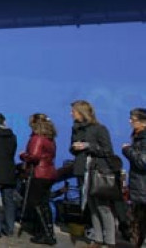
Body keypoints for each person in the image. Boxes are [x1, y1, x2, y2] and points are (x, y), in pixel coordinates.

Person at [70, 100, 118, 247]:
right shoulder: (76, 129)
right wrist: (74, 147)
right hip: (82, 169)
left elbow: (108, 150)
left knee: (102, 207)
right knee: (91, 206)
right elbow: (72, 149)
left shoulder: (99, 129)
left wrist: (88, 146)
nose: (71, 114)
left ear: (81, 112)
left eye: (74, 111)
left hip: (96, 171)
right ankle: (97, 238)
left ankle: (109, 240)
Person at [20, 113, 59, 245]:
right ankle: (48, 231)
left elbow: (34, 156)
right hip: (49, 172)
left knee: (35, 203)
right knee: (44, 203)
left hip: (38, 173)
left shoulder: (37, 138)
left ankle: (46, 234)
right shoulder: (50, 139)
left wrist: (23, 155)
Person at [123, 108, 146, 248]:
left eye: (133, 119)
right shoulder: (139, 136)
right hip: (140, 187)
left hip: (143, 188)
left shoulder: (144, 138)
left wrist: (127, 150)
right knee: (139, 224)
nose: (130, 121)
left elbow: (143, 162)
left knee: (142, 223)